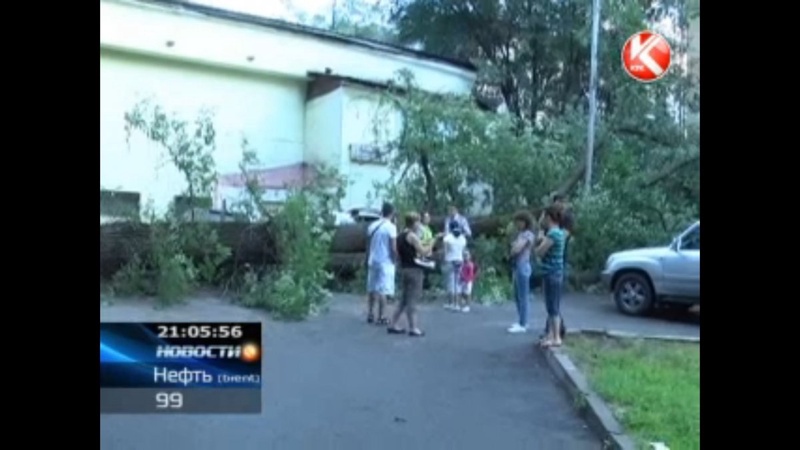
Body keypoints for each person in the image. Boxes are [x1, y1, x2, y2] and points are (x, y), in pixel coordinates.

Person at [387, 212, 432, 337]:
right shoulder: (412, 236)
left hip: (404, 268)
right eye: (418, 222)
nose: (419, 224)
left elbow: (398, 252)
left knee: (404, 299)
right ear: (414, 223)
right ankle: (413, 327)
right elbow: (424, 251)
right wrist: (433, 242)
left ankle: (393, 323)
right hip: (414, 270)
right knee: (413, 298)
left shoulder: (400, 235)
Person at [540, 194, 574, 338]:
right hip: (550, 263)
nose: (559, 205)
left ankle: (557, 332)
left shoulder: (567, 220)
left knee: (554, 302)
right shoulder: (550, 223)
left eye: (561, 202)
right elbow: (540, 231)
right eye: (556, 203)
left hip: (559, 261)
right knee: (550, 302)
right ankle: (550, 332)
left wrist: (544, 240)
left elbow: (563, 236)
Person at [536, 206, 566, 347]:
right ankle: (550, 335)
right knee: (551, 305)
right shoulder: (558, 232)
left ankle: (556, 337)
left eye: (544, 216)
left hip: (552, 273)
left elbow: (540, 252)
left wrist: (540, 239)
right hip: (553, 272)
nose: (542, 219)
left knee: (553, 306)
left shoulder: (553, 234)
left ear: (549, 217)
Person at [365, 202, 398, 325]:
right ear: (392, 212)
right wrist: (395, 259)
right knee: (383, 289)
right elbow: (393, 247)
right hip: (386, 261)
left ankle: (370, 313)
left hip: (373, 260)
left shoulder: (372, 226)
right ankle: (382, 316)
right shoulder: (391, 227)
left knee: (372, 288)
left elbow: (368, 246)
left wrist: (367, 258)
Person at [508, 211, 536, 333]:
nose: (517, 224)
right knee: (518, 295)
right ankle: (521, 320)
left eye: (519, 222)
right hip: (517, 266)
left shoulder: (528, 234)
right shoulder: (521, 234)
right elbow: (513, 248)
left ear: (525, 222)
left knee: (523, 295)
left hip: (523, 265)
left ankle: (523, 323)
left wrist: (514, 247)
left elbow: (516, 249)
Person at [442, 220, 467, 310]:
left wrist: (444, 259)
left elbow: (446, 251)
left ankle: (452, 303)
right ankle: (458, 304)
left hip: (450, 260)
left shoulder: (447, 238)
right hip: (460, 260)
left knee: (451, 282)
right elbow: (463, 251)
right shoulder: (462, 238)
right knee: (458, 283)